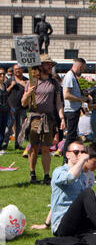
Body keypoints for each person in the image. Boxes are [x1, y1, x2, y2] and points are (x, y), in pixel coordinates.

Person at [21, 55, 65, 184]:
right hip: (34, 117)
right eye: (47, 64)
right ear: (40, 66)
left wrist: (61, 117)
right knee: (34, 147)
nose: (50, 67)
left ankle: (46, 175)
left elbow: (58, 102)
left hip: (49, 119)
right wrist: (29, 93)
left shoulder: (54, 83)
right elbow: (24, 103)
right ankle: (32, 173)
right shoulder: (31, 82)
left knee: (46, 148)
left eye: (51, 65)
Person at [62, 58, 88, 163]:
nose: (83, 71)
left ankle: (69, 157)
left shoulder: (72, 76)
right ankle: (65, 158)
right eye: (83, 69)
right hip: (71, 110)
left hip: (74, 109)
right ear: (79, 66)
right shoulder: (69, 76)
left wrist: (81, 94)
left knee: (72, 135)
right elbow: (66, 95)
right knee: (70, 136)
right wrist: (80, 99)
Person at [3, 64, 28, 150]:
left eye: (19, 69)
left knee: (20, 127)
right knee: (9, 127)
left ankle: (18, 144)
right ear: (13, 71)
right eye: (16, 69)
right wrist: (11, 86)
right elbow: (4, 92)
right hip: (11, 107)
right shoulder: (9, 81)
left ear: (22, 70)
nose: (18, 70)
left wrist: (25, 85)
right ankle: (4, 143)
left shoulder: (26, 80)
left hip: (22, 107)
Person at [0, 68, 9, 151]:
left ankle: (1, 145)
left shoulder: (5, 86)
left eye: (3, 74)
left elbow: (7, 98)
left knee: (3, 128)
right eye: (0, 74)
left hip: (5, 110)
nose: (2, 76)